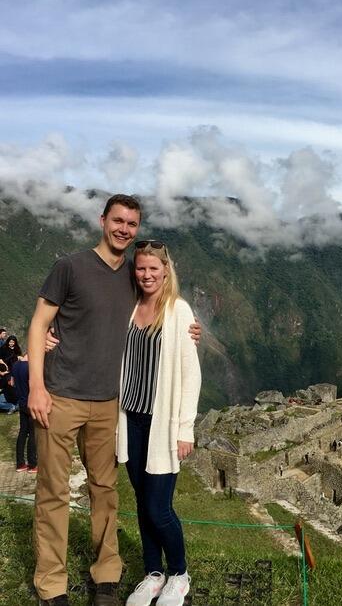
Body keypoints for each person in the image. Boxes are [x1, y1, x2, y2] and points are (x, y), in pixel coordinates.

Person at [26, 195, 201, 606]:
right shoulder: (70, 266)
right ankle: (52, 583)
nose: (124, 228)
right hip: (63, 396)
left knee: (105, 490)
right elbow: (39, 323)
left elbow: (170, 315)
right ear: (103, 220)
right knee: (52, 491)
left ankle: (108, 575)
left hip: (109, 404)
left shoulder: (132, 276)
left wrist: (194, 332)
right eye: (118, 220)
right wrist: (36, 384)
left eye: (132, 223)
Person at [119, 241, 201, 606]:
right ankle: (153, 573)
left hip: (162, 426)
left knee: (159, 507)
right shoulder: (131, 307)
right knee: (141, 501)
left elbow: (190, 374)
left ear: (166, 270)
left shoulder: (179, 311)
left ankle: (179, 574)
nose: (147, 275)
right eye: (141, 269)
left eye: (154, 268)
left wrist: (186, 428)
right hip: (131, 421)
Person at [12, 350, 37, 472]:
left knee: (22, 432)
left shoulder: (16, 365)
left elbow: (12, 383)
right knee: (33, 434)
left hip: (21, 402)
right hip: (31, 403)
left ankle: (20, 464)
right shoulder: (30, 367)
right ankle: (33, 464)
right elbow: (34, 386)